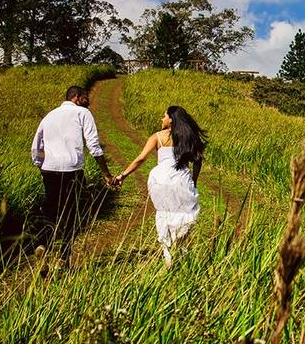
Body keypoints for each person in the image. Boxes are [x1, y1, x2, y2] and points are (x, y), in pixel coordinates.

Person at [31, 85, 115, 262]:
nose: (88, 101)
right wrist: (106, 173)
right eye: (85, 98)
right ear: (76, 97)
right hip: (72, 170)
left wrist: (40, 165)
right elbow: (93, 146)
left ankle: (42, 244)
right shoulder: (83, 113)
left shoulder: (49, 115)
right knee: (71, 213)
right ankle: (63, 258)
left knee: (51, 210)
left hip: (49, 169)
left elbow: (36, 146)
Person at [115, 106, 205, 267]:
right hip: (181, 179)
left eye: (164, 116)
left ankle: (167, 252)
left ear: (171, 119)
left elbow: (141, 159)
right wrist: (194, 181)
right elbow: (198, 161)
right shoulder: (189, 137)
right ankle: (182, 249)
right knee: (185, 214)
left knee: (163, 213)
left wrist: (123, 175)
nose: (161, 119)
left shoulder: (157, 137)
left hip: (160, 179)